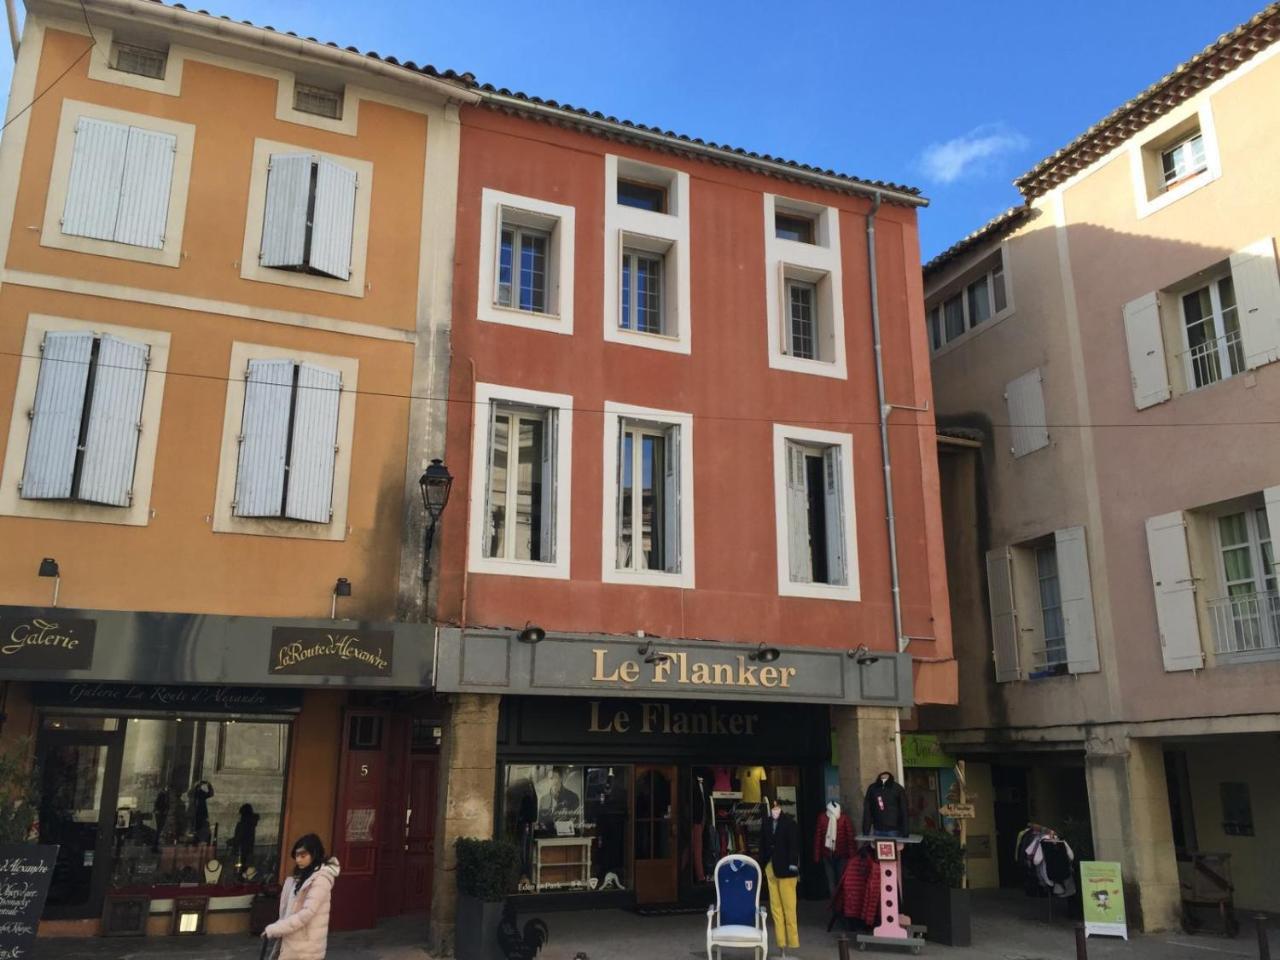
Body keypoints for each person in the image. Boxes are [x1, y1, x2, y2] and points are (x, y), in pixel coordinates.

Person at [263, 834, 341, 960]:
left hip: (306, 948)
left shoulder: (321, 879)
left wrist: (275, 929)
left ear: (314, 854)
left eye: (303, 856)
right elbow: (288, 911)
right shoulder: (299, 877)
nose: (298, 860)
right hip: (293, 943)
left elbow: (306, 914)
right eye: (296, 855)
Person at [760, 797, 800, 956]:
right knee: (775, 909)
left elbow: (794, 846)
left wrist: (793, 865)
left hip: (786, 870)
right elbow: (763, 844)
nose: (774, 810)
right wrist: (763, 863)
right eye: (773, 808)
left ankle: (792, 942)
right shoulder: (766, 822)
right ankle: (781, 944)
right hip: (771, 868)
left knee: (789, 908)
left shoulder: (790, 823)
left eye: (777, 808)